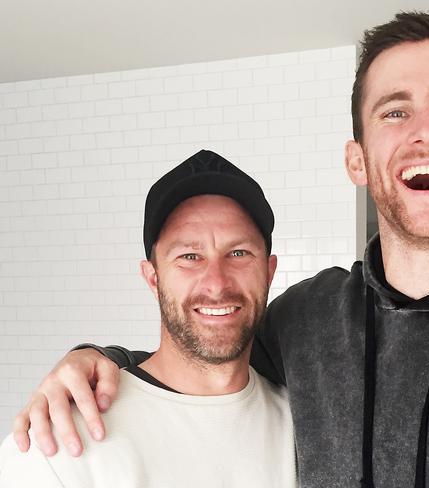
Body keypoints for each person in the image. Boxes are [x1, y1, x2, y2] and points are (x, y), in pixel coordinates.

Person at [11, 10, 429, 488]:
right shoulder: (311, 321)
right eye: (394, 112)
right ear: (357, 161)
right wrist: (96, 359)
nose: (424, 130)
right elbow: (205, 355)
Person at [0, 150, 296, 487]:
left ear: (269, 271)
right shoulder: (57, 446)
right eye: (189, 256)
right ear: (153, 278)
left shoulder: (305, 425)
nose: (217, 283)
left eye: (238, 253)